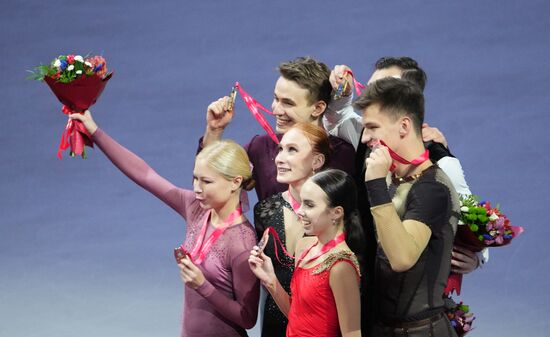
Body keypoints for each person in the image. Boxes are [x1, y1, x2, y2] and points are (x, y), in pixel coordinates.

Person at [68, 111, 260, 337]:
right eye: (195, 178)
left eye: (206, 181)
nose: (197, 188)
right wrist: (94, 131)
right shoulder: (195, 208)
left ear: (235, 182)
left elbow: (247, 318)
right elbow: (145, 174)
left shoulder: (242, 244)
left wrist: (202, 286)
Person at [356, 77, 459, 336]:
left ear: (404, 126)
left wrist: (377, 185)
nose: (365, 137)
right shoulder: (392, 175)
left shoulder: (432, 188)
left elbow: (402, 259)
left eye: (372, 128)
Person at [201, 56, 355, 201]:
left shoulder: (344, 154)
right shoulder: (260, 148)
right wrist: (214, 130)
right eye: (276, 99)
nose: (275, 110)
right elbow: (210, 182)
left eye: (287, 103)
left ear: (318, 108)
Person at [249, 169, 363, 337]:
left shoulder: (341, 266)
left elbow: (352, 334)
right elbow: (296, 316)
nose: (300, 211)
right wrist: (270, 280)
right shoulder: (305, 246)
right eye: (301, 203)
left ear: (336, 212)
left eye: (309, 205)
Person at [254, 122, 331, 337]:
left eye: (292, 150)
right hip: (276, 326)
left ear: (317, 161)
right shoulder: (264, 211)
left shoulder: (336, 213)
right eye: (280, 149)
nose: (279, 158)